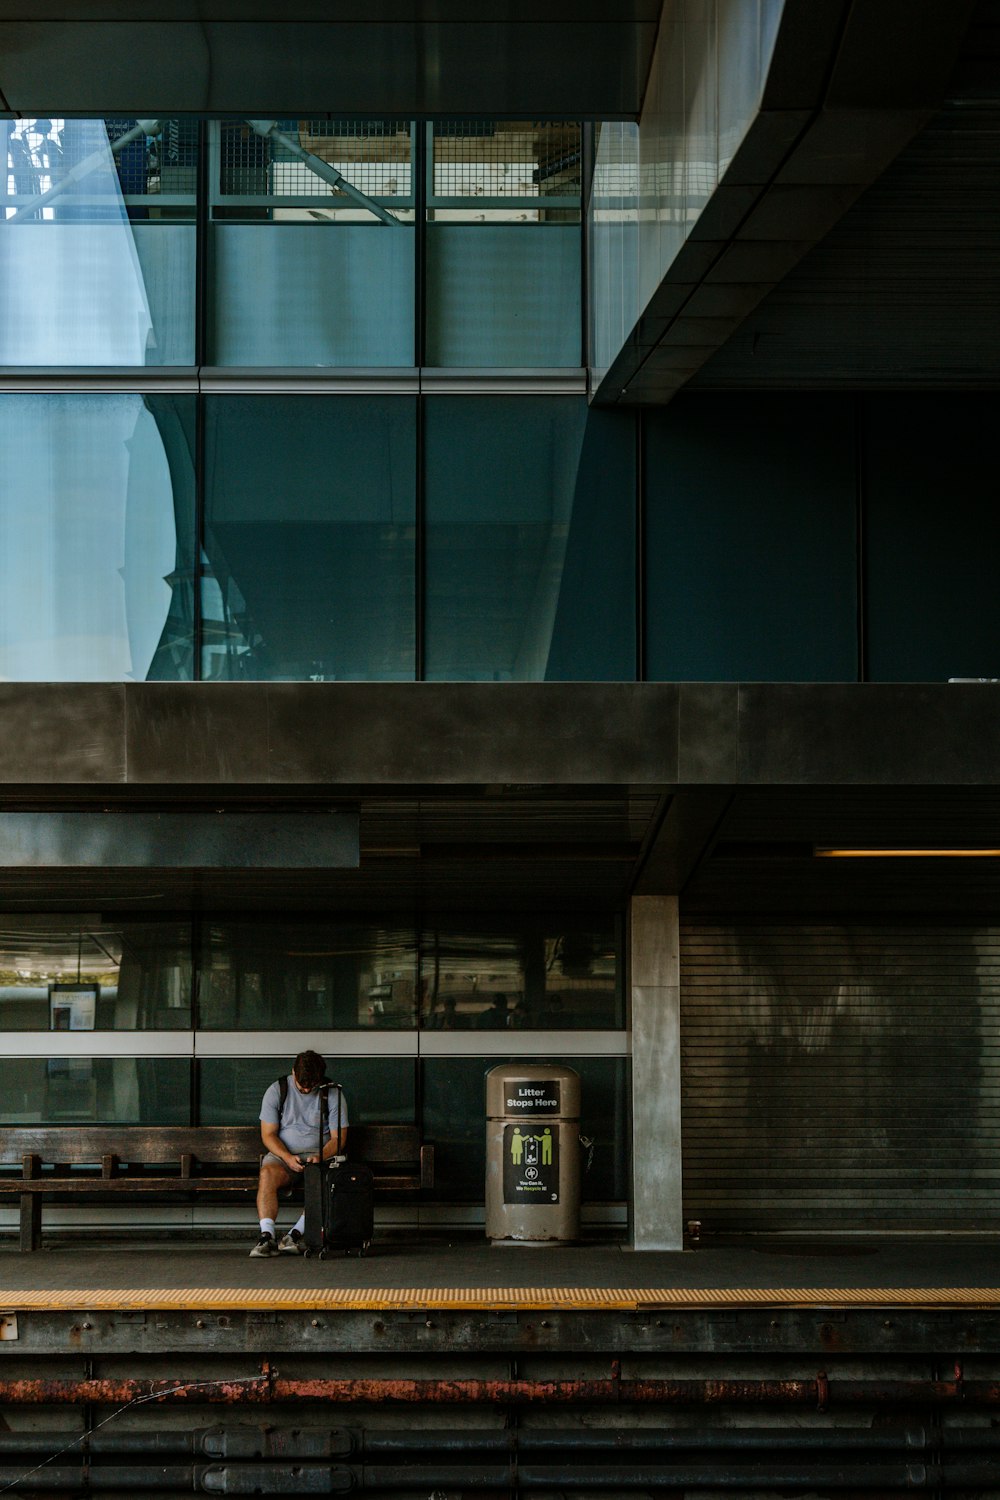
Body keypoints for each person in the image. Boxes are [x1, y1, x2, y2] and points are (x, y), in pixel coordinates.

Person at [249, 1049, 348, 1258]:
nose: (304, 1089)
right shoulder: (278, 1090)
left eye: (310, 1086)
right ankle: (267, 1236)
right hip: (283, 1157)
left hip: (319, 1158)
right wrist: (286, 1156)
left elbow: (339, 1139)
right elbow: (268, 1135)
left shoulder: (332, 1093)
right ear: (293, 1072)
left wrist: (320, 1156)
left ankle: (294, 1235)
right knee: (267, 1174)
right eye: (301, 1085)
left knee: (326, 1181)